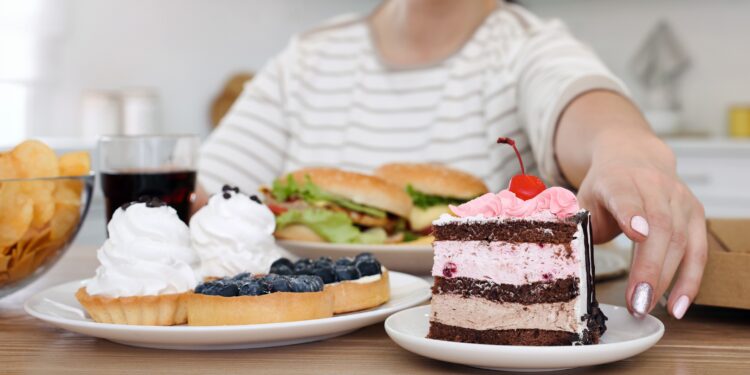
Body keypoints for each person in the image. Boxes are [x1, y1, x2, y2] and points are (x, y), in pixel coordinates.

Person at [195, 0, 706, 320]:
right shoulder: (309, 57)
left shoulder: (526, 46)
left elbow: (593, 111)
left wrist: (627, 156)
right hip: (294, 340)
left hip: (475, 339)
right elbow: (205, 195)